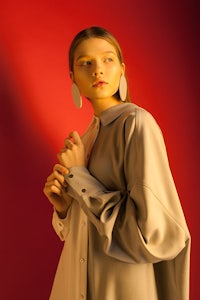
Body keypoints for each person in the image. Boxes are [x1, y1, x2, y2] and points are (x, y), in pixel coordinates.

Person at [43, 26, 191, 300]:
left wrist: (78, 175)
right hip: (75, 284)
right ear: (73, 77)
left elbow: (151, 232)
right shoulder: (85, 139)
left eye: (107, 59)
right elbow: (85, 234)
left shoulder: (136, 124)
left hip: (123, 287)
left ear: (121, 69)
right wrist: (64, 210)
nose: (97, 70)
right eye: (86, 63)